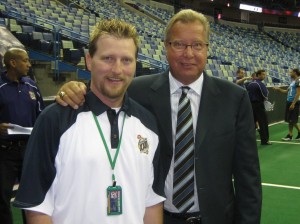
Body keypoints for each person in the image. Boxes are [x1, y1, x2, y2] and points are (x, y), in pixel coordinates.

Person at [56, 9, 262, 224]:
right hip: (154, 217)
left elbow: (248, 176)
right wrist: (74, 89)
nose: (188, 54)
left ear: (207, 49)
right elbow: (102, 93)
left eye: (197, 45)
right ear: (166, 46)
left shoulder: (234, 98)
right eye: (179, 44)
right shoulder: (136, 91)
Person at [13, 19, 165, 224]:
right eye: (108, 58)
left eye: (126, 60)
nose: (117, 70)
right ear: (89, 60)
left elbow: (152, 202)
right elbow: (37, 208)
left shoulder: (149, 124)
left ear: (135, 64)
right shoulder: (55, 120)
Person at [0, 48, 44, 224]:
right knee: (2, 198)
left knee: (32, 196)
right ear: (13, 63)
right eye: (25, 60)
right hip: (4, 152)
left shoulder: (32, 85)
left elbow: (41, 115)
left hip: (29, 150)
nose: (29, 64)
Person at [273, 68, 300, 141]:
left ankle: (290, 136)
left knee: (292, 120)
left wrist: (293, 103)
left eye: (291, 72)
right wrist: (278, 89)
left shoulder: (298, 80)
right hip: (289, 102)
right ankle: (291, 135)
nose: (290, 74)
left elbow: (298, 93)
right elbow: (286, 91)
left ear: (295, 72)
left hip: (293, 102)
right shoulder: (293, 82)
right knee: (290, 120)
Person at [247, 69, 271, 145]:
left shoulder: (250, 84)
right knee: (263, 123)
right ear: (259, 75)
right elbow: (265, 94)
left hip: (251, 105)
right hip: (259, 105)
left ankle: (248, 140)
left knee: (251, 124)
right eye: (263, 74)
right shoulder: (259, 84)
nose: (264, 76)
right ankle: (265, 141)